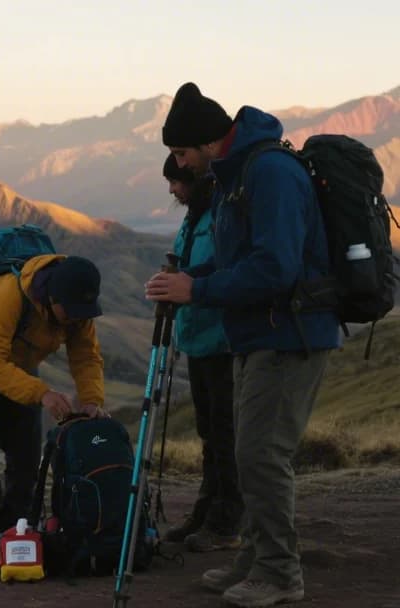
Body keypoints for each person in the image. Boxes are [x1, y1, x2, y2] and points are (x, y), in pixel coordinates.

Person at [146, 82, 339, 607]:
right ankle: (256, 559)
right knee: (247, 452)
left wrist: (199, 289)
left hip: (289, 334)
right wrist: (185, 280)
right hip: (256, 334)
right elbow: (238, 261)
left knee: (261, 455)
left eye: (180, 153)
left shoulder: (270, 173)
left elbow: (277, 267)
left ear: (208, 142)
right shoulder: (237, 176)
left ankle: (280, 572)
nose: (179, 166)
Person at [0, 254, 107, 560]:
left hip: (20, 363)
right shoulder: (9, 295)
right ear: (51, 298)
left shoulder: (77, 310)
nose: (75, 318)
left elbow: (86, 356)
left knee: (27, 450)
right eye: (69, 312)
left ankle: (16, 526)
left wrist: (91, 400)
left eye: (82, 312)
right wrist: (41, 393)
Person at [161, 153, 244, 552]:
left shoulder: (224, 213)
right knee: (209, 433)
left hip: (222, 340)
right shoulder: (193, 216)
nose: (173, 189)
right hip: (196, 339)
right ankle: (207, 510)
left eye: (176, 181)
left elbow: (224, 267)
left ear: (195, 178)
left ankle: (228, 520)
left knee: (226, 433)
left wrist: (188, 281)